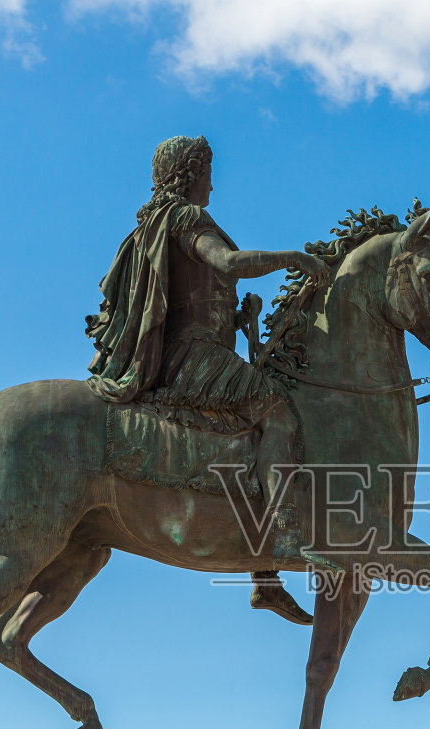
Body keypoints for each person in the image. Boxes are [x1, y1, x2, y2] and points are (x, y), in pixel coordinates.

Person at [85, 135, 332, 625]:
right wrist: (294, 259)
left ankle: (264, 581)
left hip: (183, 351)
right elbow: (228, 263)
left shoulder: (148, 226)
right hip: (191, 358)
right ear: (191, 173)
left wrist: (237, 317)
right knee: (278, 412)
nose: (213, 185)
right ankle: (282, 534)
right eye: (208, 173)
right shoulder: (185, 218)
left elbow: (187, 298)